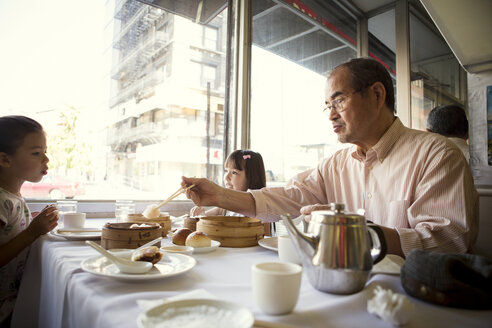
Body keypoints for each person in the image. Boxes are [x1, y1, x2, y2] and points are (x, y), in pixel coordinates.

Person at [182, 57, 478, 258]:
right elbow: (288, 198)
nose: (332, 114)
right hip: (340, 285)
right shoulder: (336, 164)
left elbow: (448, 240)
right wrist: (219, 196)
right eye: (328, 105)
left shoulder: (436, 154)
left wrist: (361, 232)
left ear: (377, 95)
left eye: (339, 100)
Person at [0, 115, 59, 327]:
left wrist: (30, 223)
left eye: (45, 152)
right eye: (36, 153)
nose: (46, 160)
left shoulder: (11, 196)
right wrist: (32, 232)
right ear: (5, 160)